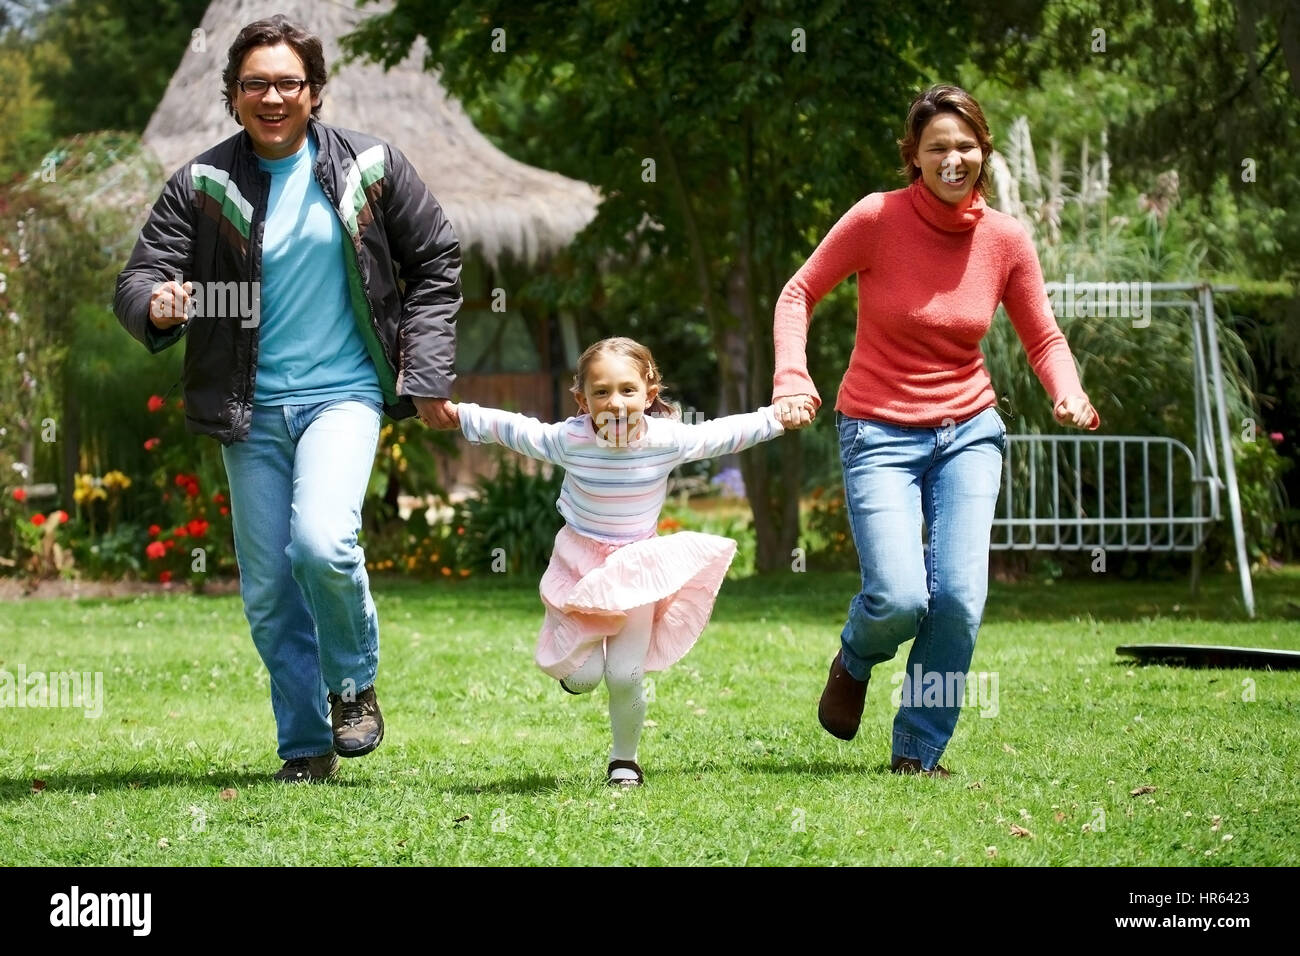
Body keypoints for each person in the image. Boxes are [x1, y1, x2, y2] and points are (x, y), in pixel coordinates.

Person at [114, 15, 462, 783]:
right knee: (270, 588)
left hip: (343, 394)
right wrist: (160, 304)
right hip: (250, 407)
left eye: (287, 82)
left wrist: (425, 370)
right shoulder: (205, 184)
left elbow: (436, 258)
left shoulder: (370, 165)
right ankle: (304, 747)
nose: (272, 96)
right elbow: (140, 279)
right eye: (255, 84)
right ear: (232, 95)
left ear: (314, 91)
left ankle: (352, 684)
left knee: (322, 544)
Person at [770, 84, 1099, 777]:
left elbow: (1043, 337)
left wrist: (1067, 392)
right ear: (914, 157)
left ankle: (918, 750)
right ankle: (856, 655)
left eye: (965, 145)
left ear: (983, 150)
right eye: (937, 147)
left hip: (968, 433)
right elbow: (799, 293)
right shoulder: (877, 218)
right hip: (878, 432)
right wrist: (792, 376)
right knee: (898, 597)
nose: (954, 158)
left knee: (957, 598)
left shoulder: (1005, 238)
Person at [445, 337, 783, 786]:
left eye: (628, 390)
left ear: (650, 392)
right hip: (578, 563)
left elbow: (723, 435)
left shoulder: (667, 440)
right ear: (583, 400)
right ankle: (574, 672)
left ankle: (624, 761)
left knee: (624, 674)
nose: (616, 403)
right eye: (601, 392)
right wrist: (460, 415)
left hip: (634, 569)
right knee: (584, 677)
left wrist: (778, 417)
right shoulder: (570, 440)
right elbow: (514, 428)